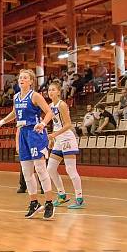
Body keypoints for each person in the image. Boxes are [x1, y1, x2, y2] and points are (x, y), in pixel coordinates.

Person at [0, 69, 55, 219]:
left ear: (31, 81)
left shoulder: (35, 96)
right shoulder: (16, 97)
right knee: (27, 172)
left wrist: (42, 123)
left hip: (35, 133)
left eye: (25, 78)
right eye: (20, 77)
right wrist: (1, 122)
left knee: (40, 169)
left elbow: (49, 112)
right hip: (22, 133)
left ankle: (49, 202)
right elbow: (15, 113)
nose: (21, 79)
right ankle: (34, 202)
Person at [46, 81, 85, 209]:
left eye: (53, 90)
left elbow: (68, 124)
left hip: (67, 138)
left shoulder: (62, 105)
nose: (50, 92)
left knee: (70, 169)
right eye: (49, 90)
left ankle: (79, 198)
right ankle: (62, 195)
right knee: (50, 169)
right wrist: (53, 138)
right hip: (58, 139)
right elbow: (56, 124)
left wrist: (54, 135)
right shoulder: (50, 105)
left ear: (58, 92)